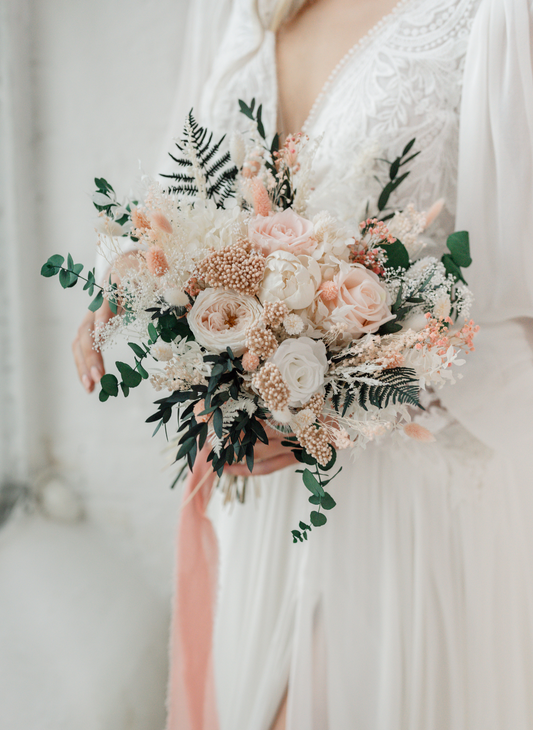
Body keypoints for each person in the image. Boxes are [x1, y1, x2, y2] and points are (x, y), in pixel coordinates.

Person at [73, 1, 533, 728]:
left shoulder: (497, 19)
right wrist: (132, 284)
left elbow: (520, 317)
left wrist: (359, 398)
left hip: (410, 512)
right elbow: (177, 204)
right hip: (262, 505)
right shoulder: (241, 10)